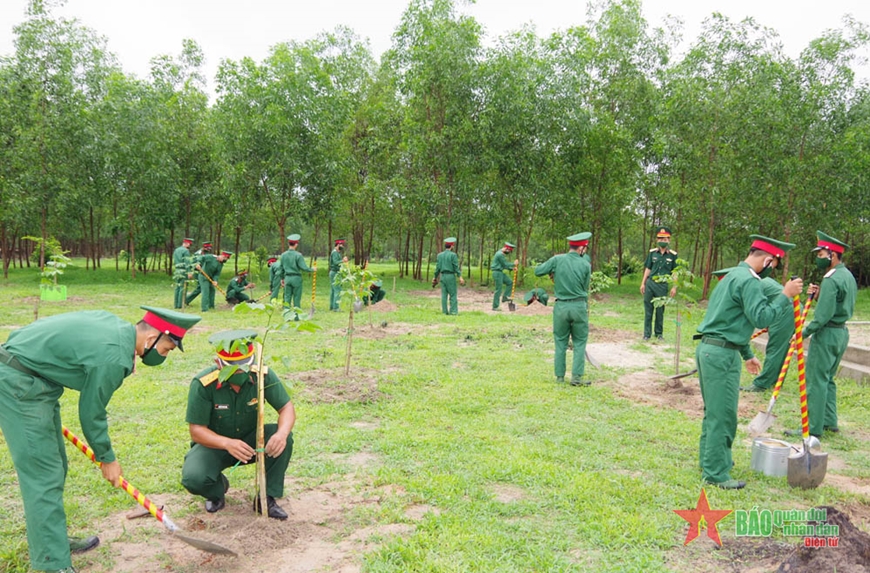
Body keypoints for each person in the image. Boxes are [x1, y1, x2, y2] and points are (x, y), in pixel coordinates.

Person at [0, 306, 201, 573]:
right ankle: (53, 563)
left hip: (37, 379)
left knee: (56, 465)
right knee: (43, 476)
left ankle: (53, 542)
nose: (164, 354)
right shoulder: (114, 356)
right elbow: (91, 413)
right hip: (19, 383)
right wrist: (107, 458)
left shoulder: (118, 330)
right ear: (152, 338)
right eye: (167, 348)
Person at [695, 235, 802, 489]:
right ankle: (716, 473)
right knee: (723, 416)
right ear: (767, 260)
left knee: (714, 412)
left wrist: (747, 354)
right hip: (721, 356)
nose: (771, 270)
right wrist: (785, 295)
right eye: (773, 265)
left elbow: (729, 320)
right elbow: (762, 316)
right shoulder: (749, 281)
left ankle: (711, 461)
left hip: (711, 349)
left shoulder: (732, 276)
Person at [181, 329, 295, 520]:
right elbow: (197, 430)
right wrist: (227, 443)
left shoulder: (262, 376)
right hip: (215, 445)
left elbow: (286, 408)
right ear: (218, 363)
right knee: (194, 478)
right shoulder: (203, 384)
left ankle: (266, 498)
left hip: (252, 442)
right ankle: (217, 490)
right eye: (234, 368)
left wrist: (281, 434)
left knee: (284, 437)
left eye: (245, 366)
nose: (241, 372)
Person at [785, 231, 857, 438]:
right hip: (841, 333)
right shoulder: (847, 276)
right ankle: (829, 420)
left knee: (816, 381)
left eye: (821, 254)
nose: (818, 258)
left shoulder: (831, 280)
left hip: (826, 335)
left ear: (833, 255)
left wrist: (803, 332)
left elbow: (823, 316)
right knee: (828, 378)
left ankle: (812, 427)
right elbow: (837, 305)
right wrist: (819, 296)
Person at [534, 233, 592, 386]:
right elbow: (585, 287)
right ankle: (576, 378)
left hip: (561, 307)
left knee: (560, 342)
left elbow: (538, 271)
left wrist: (552, 272)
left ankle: (560, 377)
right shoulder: (585, 264)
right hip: (579, 306)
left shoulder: (557, 260)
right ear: (581, 248)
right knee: (579, 342)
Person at [740, 275, 798, 392]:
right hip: (790, 309)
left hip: (786, 311)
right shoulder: (762, 281)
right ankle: (775, 381)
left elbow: (754, 310)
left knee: (775, 348)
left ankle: (762, 384)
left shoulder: (753, 285)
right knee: (781, 349)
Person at [640, 226, 678, 341]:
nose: (663, 241)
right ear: (657, 240)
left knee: (660, 311)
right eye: (660, 238)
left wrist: (674, 287)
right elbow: (648, 268)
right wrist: (643, 283)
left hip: (662, 285)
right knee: (648, 310)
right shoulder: (652, 253)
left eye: (665, 239)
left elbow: (675, 272)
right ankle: (647, 334)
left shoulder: (672, 255)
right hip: (650, 284)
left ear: (669, 240)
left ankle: (659, 333)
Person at [280, 234, 315, 318]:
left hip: (287, 278)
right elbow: (303, 267)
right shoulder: (298, 255)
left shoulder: (283, 255)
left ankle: (286, 316)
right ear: (296, 244)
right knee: (296, 298)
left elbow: (281, 268)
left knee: (287, 297)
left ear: (289, 244)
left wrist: (282, 278)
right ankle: (296, 316)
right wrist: (312, 269)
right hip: (296, 278)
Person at [433, 237, 465, 315]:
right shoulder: (453, 255)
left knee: (444, 295)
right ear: (452, 246)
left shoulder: (439, 255)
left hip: (442, 276)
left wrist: (435, 277)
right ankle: (453, 311)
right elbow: (455, 267)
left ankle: (444, 312)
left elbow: (437, 267)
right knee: (453, 294)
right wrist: (460, 276)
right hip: (450, 276)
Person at [491, 242, 518, 311]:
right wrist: (513, 264)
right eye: (509, 251)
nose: (509, 253)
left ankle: (505, 297)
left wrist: (512, 268)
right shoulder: (500, 254)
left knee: (510, 282)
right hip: (497, 273)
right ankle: (495, 306)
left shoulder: (501, 254)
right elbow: (505, 264)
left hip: (500, 272)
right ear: (506, 249)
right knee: (498, 289)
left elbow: (504, 265)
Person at [184, 241, 212, 308]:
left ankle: (187, 300)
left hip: (204, 271)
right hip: (198, 272)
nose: (209, 249)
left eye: (209, 248)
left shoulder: (206, 253)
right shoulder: (198, 253)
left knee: (200, 288)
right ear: (204, 247)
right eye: (207, 248)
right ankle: (187, 300)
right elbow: (193, 263)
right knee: (200, 288)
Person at [173, 237, 194, 309]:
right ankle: (180, 305)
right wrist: (189, 272)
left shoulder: (176, 250)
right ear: (187, 243)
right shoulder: (186, 251)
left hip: (177, 270)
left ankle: (175, 304)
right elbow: (187, 262)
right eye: (189, 245)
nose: (189, 246)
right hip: (183, 271)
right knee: (183, 287)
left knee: (177, 287)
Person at [328, 239, 348, 311]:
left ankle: (332, 306)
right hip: (334, 273)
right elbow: (335, 262)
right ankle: (336, 307)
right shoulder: (334, 253)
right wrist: (343, 260)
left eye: (342, 245)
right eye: (341, 245)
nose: (342, 246)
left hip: (335, 272)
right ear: (337, 245)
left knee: (333, 290)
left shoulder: (337, 253)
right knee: (338, 289)